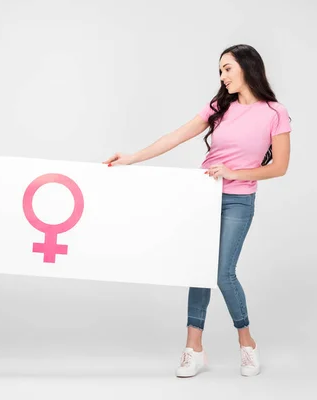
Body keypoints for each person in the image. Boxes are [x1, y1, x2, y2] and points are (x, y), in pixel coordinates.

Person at [104, 44, 291, 377]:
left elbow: (280, 167)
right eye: (220, 70)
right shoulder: (219, 106)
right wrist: (132, 158)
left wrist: (235, 173)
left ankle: (247, 344)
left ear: (248, 67)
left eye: (227, 68)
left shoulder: (275, 113)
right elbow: (176, 136)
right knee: (197, 269)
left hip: (238, 199)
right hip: (202, 196)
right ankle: (194, 348)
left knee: (223, 274)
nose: (222, 76)